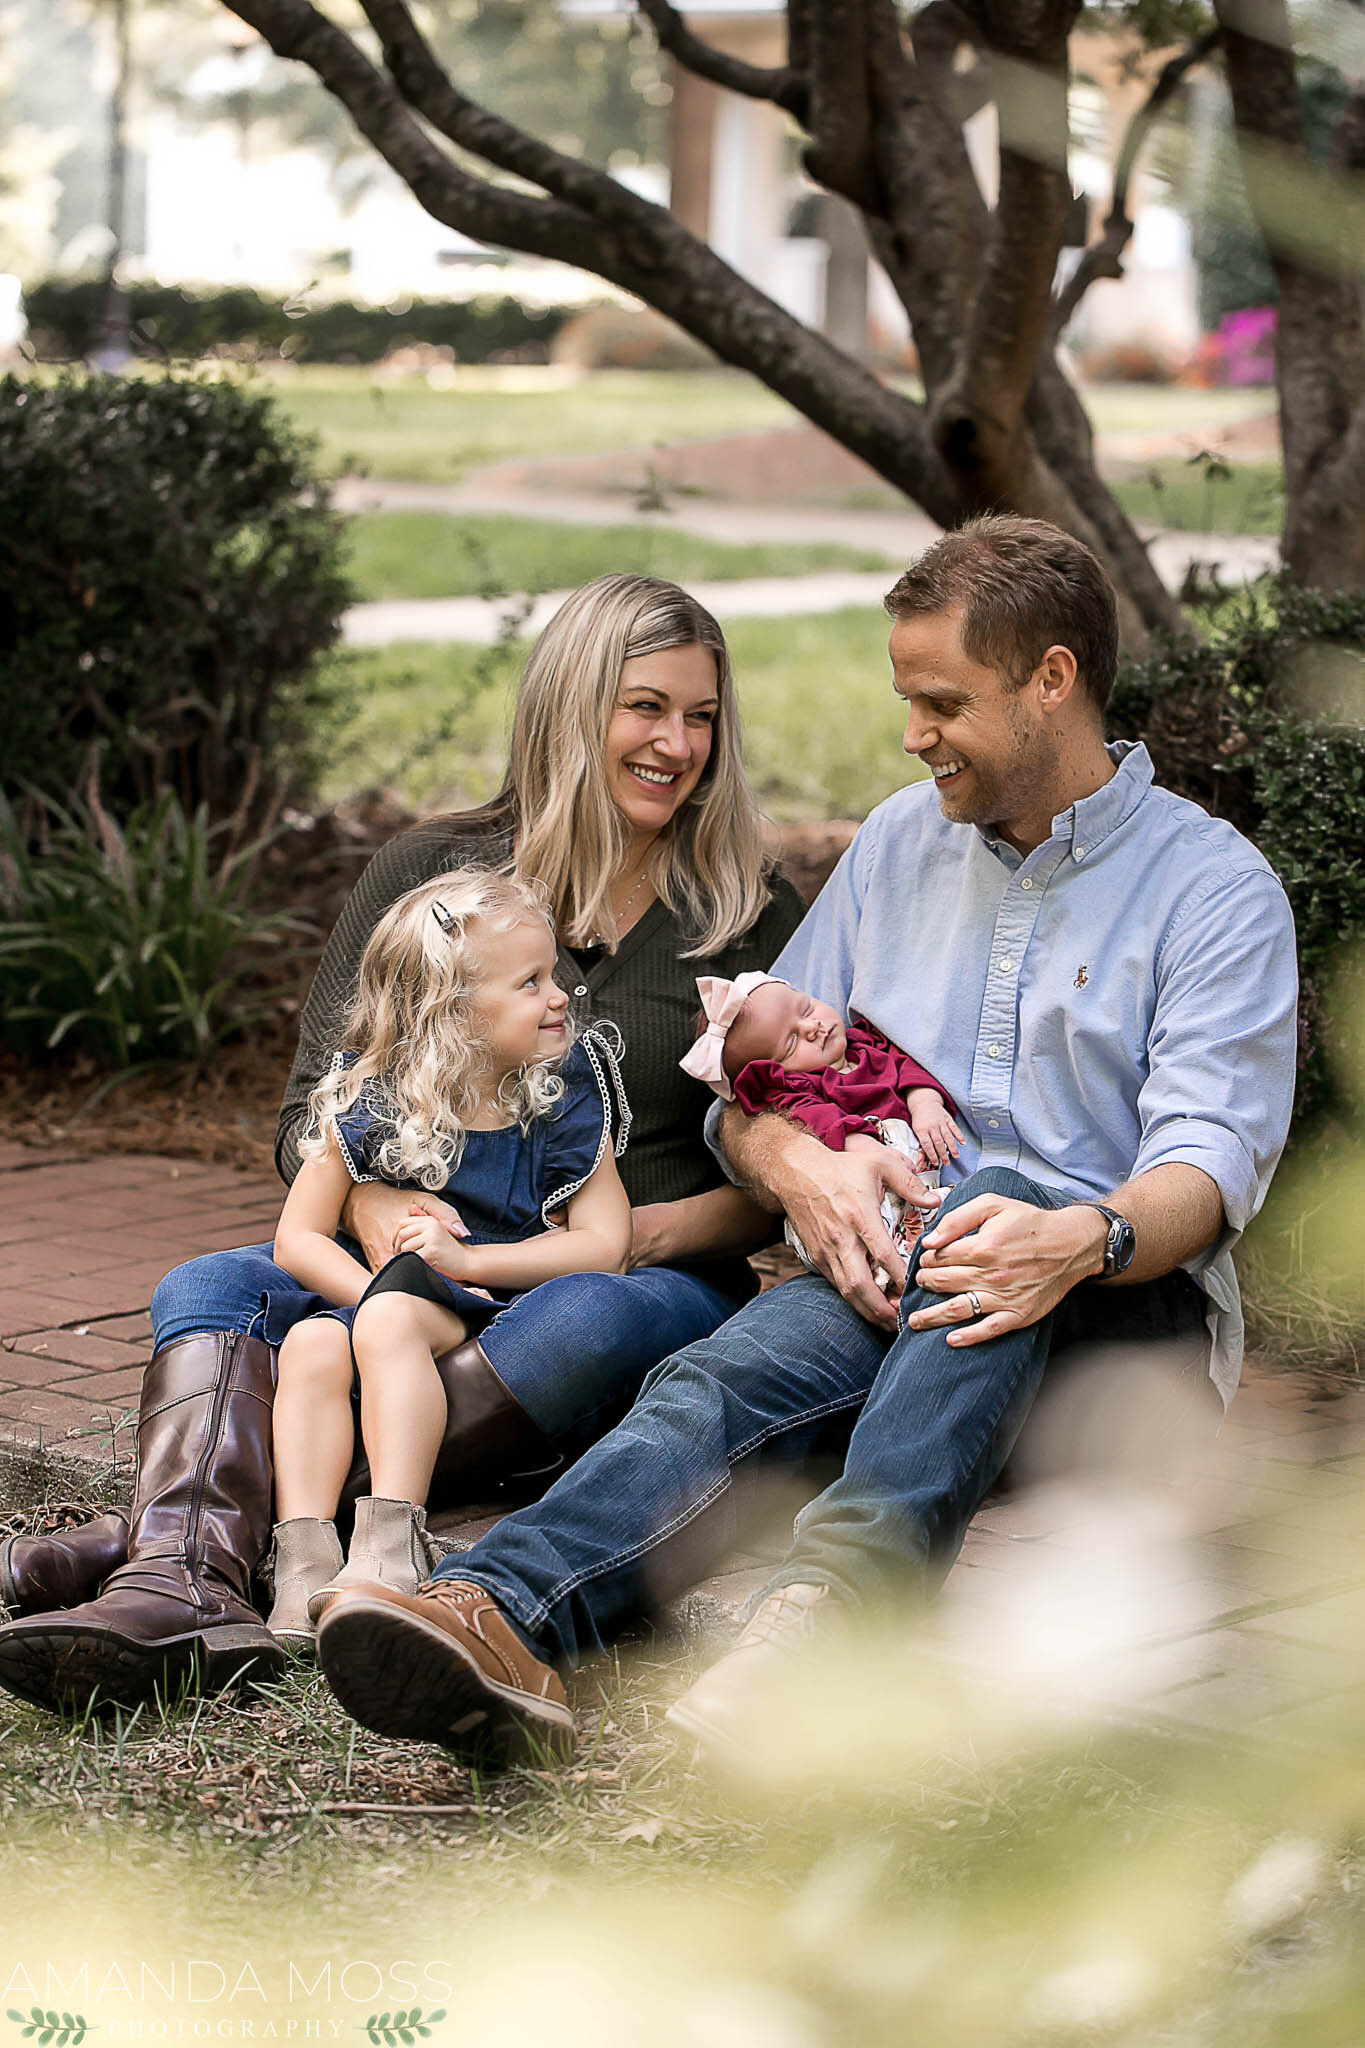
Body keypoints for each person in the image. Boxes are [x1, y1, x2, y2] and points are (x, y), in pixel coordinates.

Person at [309, 515, 1299, 1767]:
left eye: (941, 701)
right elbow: (743, 1083)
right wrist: (798, 1162)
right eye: (905, 698)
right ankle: (493, 1611)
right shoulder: (897, 843)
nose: (910, 734)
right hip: (897, 1270)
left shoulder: (1213, 890)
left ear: (1052, 680)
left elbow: (1205, 1176)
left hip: (1113, 1304)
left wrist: (1076, 1232)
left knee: (989, 1200)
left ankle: (829, 1621)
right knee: (712, 1384)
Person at [0, 575, 804, 1716]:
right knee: (215, 1281)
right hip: (416, 1266)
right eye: (646, 707)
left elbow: (779, 1171)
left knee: (589, 1312)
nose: (679, 743)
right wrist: (374, 1211)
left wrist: (628, 1236)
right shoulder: (428, 881)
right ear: (570, 707)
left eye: (703, 715)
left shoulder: (747, 911)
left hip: (637, 1276)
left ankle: (175, 1544)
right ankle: (181, 1578)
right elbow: (307, 1116)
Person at [265, 868, 632, 1646]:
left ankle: (390, 1544)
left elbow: (606, 1244)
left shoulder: (560, 1093)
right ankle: (301, 1559)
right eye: (531, 982)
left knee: (390, 1324)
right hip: (394, 1299)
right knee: (310, 1342)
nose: (560, 995)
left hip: (503, 1305)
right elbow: (295, 1239)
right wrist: (375, 1300)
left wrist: (464, 1270)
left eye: (554, 974)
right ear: (453, 1016)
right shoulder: (371, 1096)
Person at [680, 968, 960, 1279]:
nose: (812, 1028)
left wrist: (925, 1102)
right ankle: (888, 1276)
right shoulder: (797, 1089)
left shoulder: (869, 1043)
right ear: (771, 1072)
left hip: (921, 1180)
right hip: (862, 1196)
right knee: (864, 1233)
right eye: (790, 1043)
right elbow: (818, 1119)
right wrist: (858, 1142)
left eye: (806, 1008)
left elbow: (906, 1067)